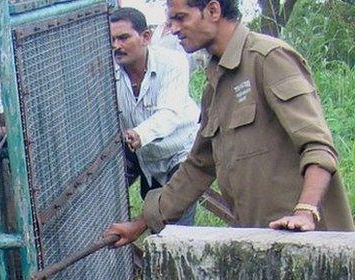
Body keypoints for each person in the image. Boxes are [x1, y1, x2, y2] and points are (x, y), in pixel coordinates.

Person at [105, 0, 355, 246]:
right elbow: (198, 167)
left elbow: (319, 147)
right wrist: (138, 225)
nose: (173, 29)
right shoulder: (214, 85)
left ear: (213, 10)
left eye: (181, 18)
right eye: (171, 20)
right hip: (260, 239)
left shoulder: (267, 58)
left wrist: (305, 213)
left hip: (311, 241)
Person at [111, 7, 199, 226]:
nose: (116, 46)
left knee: (175, 231)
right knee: (156, 226)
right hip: (145, 157)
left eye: (123, 38)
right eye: (111, 39)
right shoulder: (108, 72)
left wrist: (140, 133)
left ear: (146, 37)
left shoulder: (172, 63)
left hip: (180, 153)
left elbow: (170, 113)